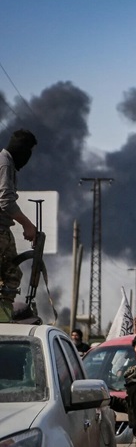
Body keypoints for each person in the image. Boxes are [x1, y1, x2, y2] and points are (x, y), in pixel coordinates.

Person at [0, 129, 38, 323]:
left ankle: (4, 321)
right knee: (9, 276)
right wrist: (27, 224)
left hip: (4, 230)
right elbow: (5, 201)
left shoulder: (8, 163)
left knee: (12, 275)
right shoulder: (4, 162)